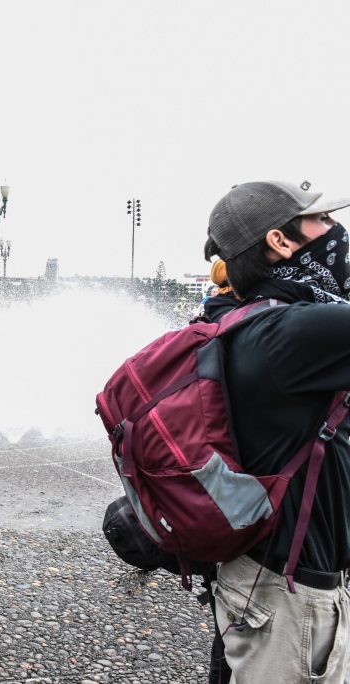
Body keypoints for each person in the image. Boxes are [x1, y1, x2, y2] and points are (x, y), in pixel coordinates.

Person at [202, 180, 350, 683]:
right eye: (323, 221)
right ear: (281, 242)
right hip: (290, 597)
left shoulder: (242, 320)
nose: (336, 232)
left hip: (259, 579)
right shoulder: (293, 333)